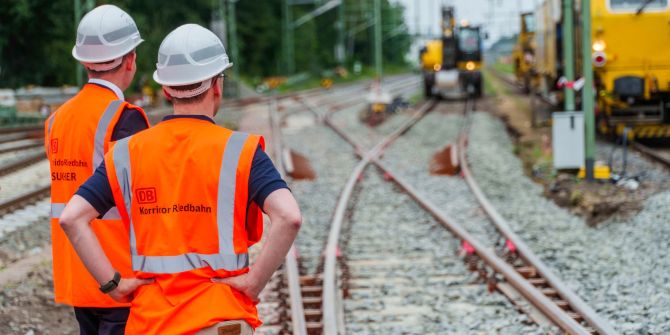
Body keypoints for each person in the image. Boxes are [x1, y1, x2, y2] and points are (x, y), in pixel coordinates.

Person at [58, 24, 302, 335]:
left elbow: (72, 218)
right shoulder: (241, 151)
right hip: (220, 318)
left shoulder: (125, 154)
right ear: (217, 85)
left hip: (151, 323)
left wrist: (114, 285)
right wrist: (254, 282)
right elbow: (289, 217)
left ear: (165, 89)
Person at [44, 4, 149, 334]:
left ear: (84, 61)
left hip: (78, 274)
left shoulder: (56, 119)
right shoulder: (125, 118)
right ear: (130, 60)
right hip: (120, 277)